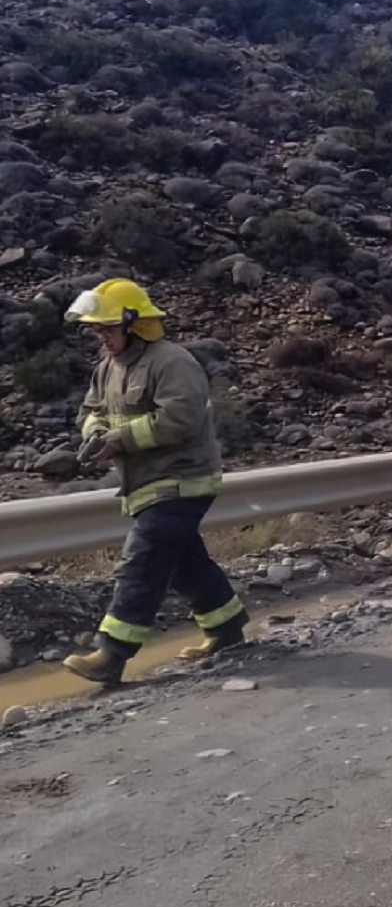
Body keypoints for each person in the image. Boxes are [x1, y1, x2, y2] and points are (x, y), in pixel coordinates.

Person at [60, 279, 249, 686]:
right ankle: (226, 628)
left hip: (182, 481)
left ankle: (111, 653)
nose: (102, 337)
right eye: (98, 330)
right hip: (146, 484)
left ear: (135, 324)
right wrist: (95, 433)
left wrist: (118, 439)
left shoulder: (171, 362)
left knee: (142, 561)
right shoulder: (108, 367)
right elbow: (90, 410)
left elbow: (179, 420)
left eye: (108, 329)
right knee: (184, 563)